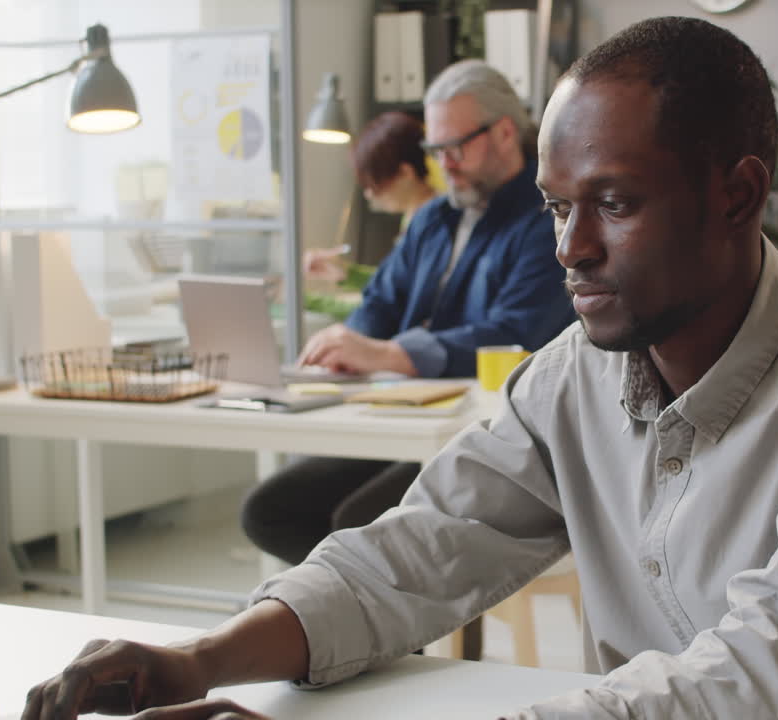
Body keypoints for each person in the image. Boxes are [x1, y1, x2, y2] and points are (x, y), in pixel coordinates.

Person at [21, 17, 778, 720]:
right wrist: (201, 661)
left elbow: (773, 670)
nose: (570, 247)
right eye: (558, 207)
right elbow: (413, 552)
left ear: (738, 195)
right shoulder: (573, 381)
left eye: (614, 203)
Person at [241, 61, 574, 572]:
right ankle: (371, 632)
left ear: (505, 132)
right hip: (411, 425)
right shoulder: (434, 220)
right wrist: (343, 343)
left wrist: (390, 353)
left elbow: (514, 332)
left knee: (354, 525)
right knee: (270, 512)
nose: (444, 164)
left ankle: (373, 630)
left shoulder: (544, 221)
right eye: (434, 151)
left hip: (490, 440)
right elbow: (380, 302)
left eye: (454, 147)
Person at [303, 111, 445, 288]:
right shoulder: (414, 216)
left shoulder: (434, 224)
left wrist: (311, 301)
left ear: (405, 173)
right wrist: (344, 273)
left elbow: (401, 298)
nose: (369, 194)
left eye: (375, 183)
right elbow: (393, 285)